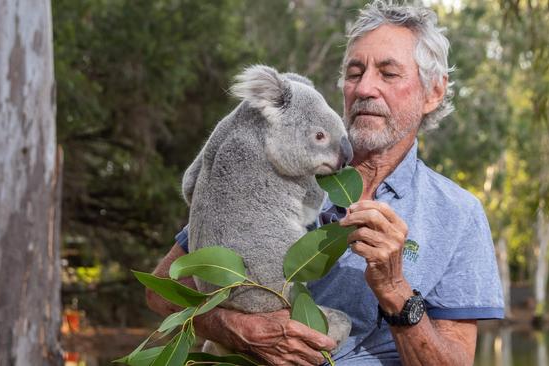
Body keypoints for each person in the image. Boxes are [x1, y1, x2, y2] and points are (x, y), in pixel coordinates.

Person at [147, 1, 504, 365]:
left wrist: (395, 290)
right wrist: (235, 326)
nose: (365, 87)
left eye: (388, 73)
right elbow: (163, 292)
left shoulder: (458, 215)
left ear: (434, 92)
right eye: (354, 72)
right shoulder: (275, 167)